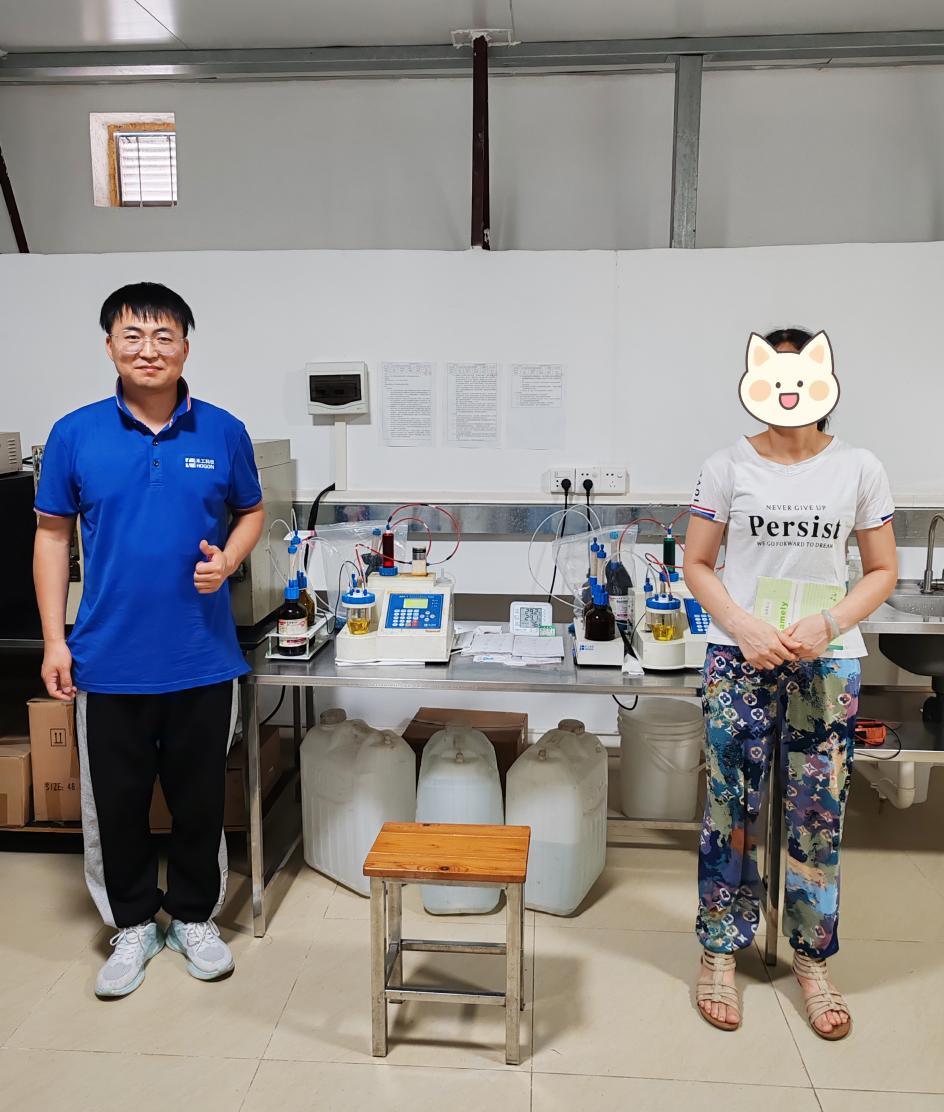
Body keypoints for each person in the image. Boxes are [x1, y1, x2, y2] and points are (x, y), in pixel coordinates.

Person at [33, 283, 265, 998]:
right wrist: (55, 641)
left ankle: (194, 917)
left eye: (164, 336)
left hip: (202, 657)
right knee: (117, 805)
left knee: (200, 801)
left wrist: (229, 560)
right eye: (132, 336)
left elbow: (252, 512)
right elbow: (51, 538)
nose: (148, 349)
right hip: (107, 660)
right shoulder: (75, 434)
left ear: (185, 347)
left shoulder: (223, 431)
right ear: (110, 346)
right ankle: (132, 924)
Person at [684, 327, 897, 1038]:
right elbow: (697, 563)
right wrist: (743, 626)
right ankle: (720, 951)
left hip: (825, 663)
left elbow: (882, 570)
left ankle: (812, 959)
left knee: (817, 815)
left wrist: (829, 623)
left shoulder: (859, 468)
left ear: (822, 384)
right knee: (730, 809)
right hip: (740, 656)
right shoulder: (725, 466)